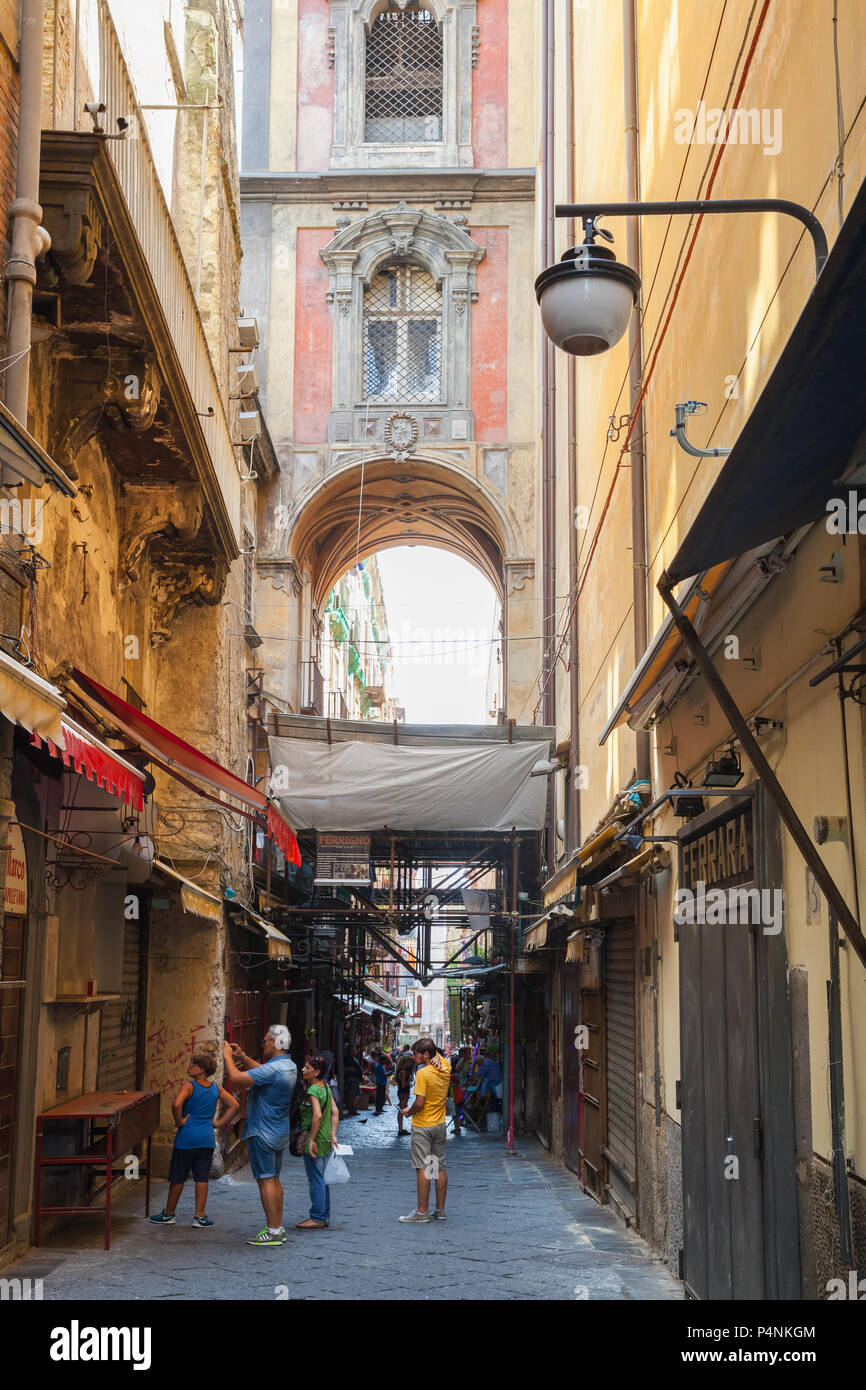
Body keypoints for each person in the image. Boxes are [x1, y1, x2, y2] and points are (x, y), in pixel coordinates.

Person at [222, 1025, 297, 1247]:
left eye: (265, 1041)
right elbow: (262, 1073)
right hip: (278, 1130)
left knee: (265, 1180)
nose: (263, 1044)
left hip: (262, 1130)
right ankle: (278, 1226)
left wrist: (227, 1057)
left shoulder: (273, 1070)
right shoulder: (288, 1066)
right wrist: (243, 1056)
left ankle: (273, 1230)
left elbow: (236, 1078)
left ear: (274, 1043)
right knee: (274, 1178)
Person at [150, 1049, 238, 1227]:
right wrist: (219, 1122)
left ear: (202, 1069)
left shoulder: (189, 1086)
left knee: (178, 1177)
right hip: (206, 1139)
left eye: (194, 1065)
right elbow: (234, 1105)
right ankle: (200, 1216)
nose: (189, 1067)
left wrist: (180, 1120)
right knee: (201, 1178)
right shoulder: (216, 1089)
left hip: (186, 1139)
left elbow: (176, 1104)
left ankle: (169, 1214)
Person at [398, 1038, 451, 1223]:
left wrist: (407, 1111)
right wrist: (437, 1057)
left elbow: (419, 1103)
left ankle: (422, 1212)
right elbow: (443, 1058)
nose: (414, 1057)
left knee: (423, 1168)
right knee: (439, 1167)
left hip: (423, 1126)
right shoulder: (445, 1068)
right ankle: (440, 1210)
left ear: (426, 1055)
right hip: (439, 1125)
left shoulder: (423, 1073)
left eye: (416, 1054)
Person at [296, 1055, 340, 1230]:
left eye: (307, 1068)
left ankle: (317, 1217)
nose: (303, 1070)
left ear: (316, 1072)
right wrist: (333, 1134)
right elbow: (335, 1112)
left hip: (316, 1139)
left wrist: (312, 1139)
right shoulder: (327, 1088)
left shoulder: (313, 1090)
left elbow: (317, 1115)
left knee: (315, 1178)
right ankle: (324, 1215)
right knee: (323, 1179)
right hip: (326, 1138)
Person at [394, 1045, 415, 1136]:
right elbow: (403, 1084)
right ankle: (400, 1129)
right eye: (408, 1062)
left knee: (403, 1110)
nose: (410, 1064)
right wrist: (408, 1080)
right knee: (402, 1110)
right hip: (403, 1092)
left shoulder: (401, 1071)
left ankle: (401, 1129)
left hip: (402, 1092)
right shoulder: (404, 1072)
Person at [343, 1050, 363, 1115]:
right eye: (353, 1049)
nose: (355, 1051)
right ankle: (351, 1109)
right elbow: (345, 1067)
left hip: (356, 1079)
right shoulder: (348, 1058)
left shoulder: (354, 1058)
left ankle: (353, 1108)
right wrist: (350, 1069)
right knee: (352, 1094)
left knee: (358, 1093)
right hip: (352, 1078)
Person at [374, 1050, 389, 1114]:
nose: (385, 1062)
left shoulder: (381, 1065)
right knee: (379, 1096)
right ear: (381, 1060)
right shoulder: (379, 1066)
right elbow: (383, 1074)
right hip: (380, 1083)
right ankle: (378, 1109)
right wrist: (388, 1073)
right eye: (384, 1060)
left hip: (382, 1082)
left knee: (382, 1096)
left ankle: (380, 1108)